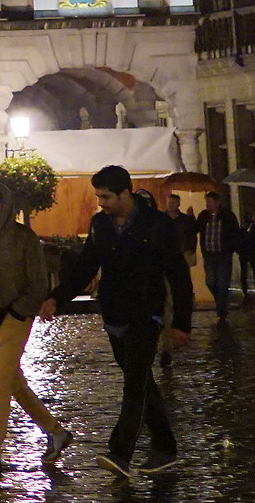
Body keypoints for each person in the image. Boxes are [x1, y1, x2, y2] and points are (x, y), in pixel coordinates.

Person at [47, 165, 194, 481]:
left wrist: (182, 322)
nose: (100, 203)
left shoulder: (156, 225)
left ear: (125, 193)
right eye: (99, 196)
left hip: (146, 313)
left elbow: (178, 274)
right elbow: (86, 267)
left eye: (106, 197)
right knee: (141, 381)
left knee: (134, 383)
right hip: (114, 315)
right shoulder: (100, 225)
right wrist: (57, 299)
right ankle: (165, 448)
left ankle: (120, 453)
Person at [0, 181, 73, 474]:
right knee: (16, 384)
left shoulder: (24, 238)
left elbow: (38, 281)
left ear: (7, 204)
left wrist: (18, 310)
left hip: (14, 319)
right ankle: (56, 432)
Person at [198, 199, 244, 321]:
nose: (208, 204)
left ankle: (221, 309)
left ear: (217, 202)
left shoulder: (227, 216)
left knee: (223, 283)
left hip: (223, 254)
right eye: (207, 201)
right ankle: (221, 301)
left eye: (210, 201)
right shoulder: (203, 215)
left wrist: (232, 248)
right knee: (210, 281)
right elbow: (196, 228)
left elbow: (235, 232)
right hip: (209, 254)